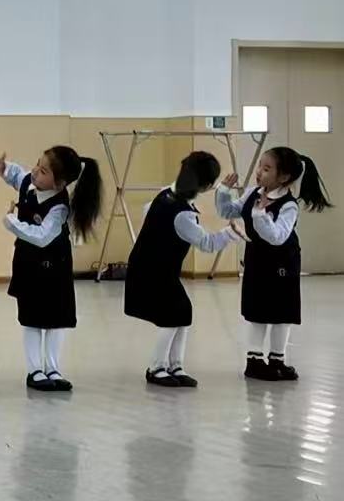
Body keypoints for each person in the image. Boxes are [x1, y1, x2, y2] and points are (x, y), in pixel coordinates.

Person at [125, 151, 241, 388]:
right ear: (206, 186)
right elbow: (207, 243)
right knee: (171, 317)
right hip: (154, 270)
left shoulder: (165, 194)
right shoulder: (183, 214)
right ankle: (157, 368)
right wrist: (231, 233)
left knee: (182, 311)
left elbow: (148, 212)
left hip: (151, 266)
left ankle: (175, 366)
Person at [216, 147, 332, 381]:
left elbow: (277, 237)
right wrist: (224, 191)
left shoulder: (289, 205)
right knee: (257, 312)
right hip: (257, 260)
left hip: (283, 263)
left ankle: (278, 359)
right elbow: (227, 211)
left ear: (284, 177)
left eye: (267, 168)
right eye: (260, 166)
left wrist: (260, 215)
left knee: (282, 313)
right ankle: (254, 361)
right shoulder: (252, 193)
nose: (259, 172)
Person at [0, 145, 103, 391]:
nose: (35, 172)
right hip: (28, 265)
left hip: (55, 268)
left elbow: (42, 236)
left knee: (56, 320)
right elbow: (18, 175)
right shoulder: (29, 182)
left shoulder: (59, 207)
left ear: (59, 183)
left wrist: (11, 222)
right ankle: (35, 371)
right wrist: (4, 169)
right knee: (31, 320)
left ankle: (53, 368)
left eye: (43, 171)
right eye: (37, 164)